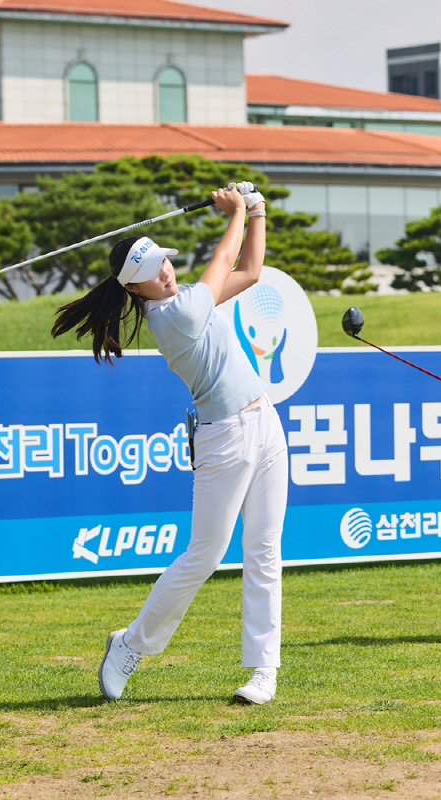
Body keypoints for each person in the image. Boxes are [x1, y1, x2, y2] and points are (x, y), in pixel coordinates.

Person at [51, 182, 288, 704]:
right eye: (152, 271)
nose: (165, 271)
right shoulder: (175, 316)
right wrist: (234, 213)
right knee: (204, 554)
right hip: (224, 435)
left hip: (264, 422)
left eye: (163, 262)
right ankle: (130, 644)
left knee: (264, 550)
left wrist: (257, 211)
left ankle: (263, 670)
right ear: (136, 290)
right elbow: (226, 255)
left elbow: (247, 271)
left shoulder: (185, 300)